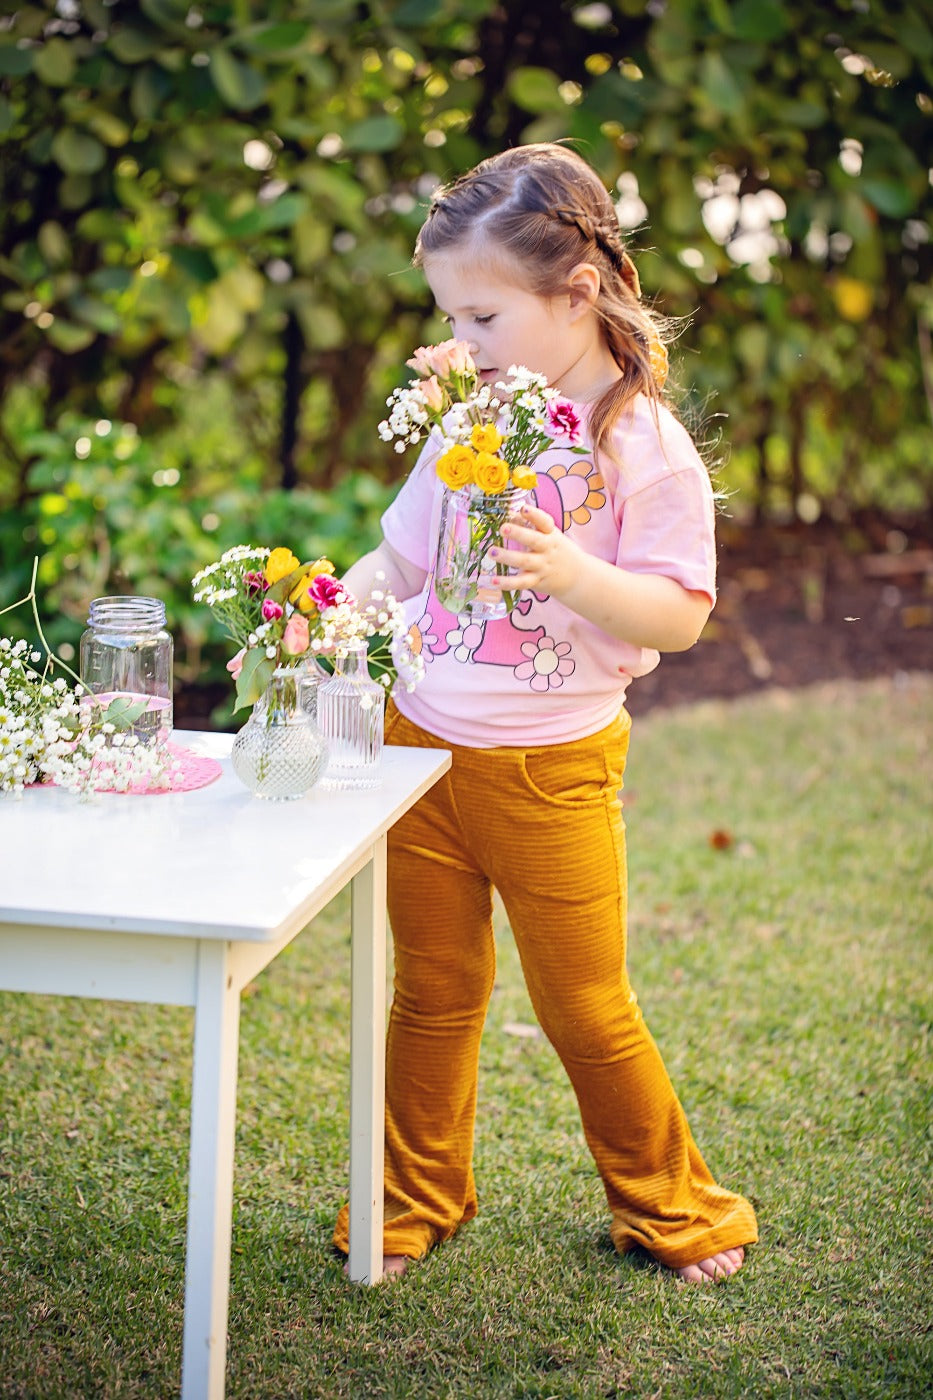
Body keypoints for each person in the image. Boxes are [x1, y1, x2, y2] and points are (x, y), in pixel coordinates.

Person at [333, 142, 758, 1284]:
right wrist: (327, 610)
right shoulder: (472, 414)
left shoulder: (642, 445)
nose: (460, 346)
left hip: (551, 767)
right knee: (431, 990)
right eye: (452, 321)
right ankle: (414, 1192)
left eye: (480, 317)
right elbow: (401, 559)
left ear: (576, 295)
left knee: (584, 1003)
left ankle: (672, 1203)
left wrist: (572, 574)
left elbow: (677, 617)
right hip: (420, 752)